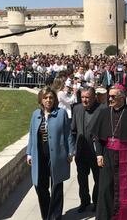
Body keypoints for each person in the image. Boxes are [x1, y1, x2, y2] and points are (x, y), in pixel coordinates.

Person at [92, 84, 127, 220]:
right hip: (107, 156)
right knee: (106, 188)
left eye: (113, 96)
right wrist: (99, 154)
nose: (110, 99)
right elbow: (96, 136)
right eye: (109, 96)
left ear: (122, 97)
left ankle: (126, 215)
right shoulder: (103, 113)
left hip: (126, 155)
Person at [26, 86, 73, 220]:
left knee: (57, 186)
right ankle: (47, 215)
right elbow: (31, 134)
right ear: (41, 99)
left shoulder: (61, 113)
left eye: (51, 98)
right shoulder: (36, 114)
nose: (48, 100)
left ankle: (55, 217)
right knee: (40, 186)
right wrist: (29, 153)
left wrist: (70, 152)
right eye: (45, 97)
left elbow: (68, 133)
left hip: (57, 155)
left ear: (55, 100)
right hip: (39, 154)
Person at [70, 87, 107, 213]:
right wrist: (72, 149)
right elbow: (73, 130)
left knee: (98, 180)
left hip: (97, 153)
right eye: (83, 97)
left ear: (94, 97)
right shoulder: (77, 108)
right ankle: (84, 201)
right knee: (82, 180)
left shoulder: (102, 109)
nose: (85, 100)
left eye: (88, 98)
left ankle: (96, 202)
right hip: (81, 152)